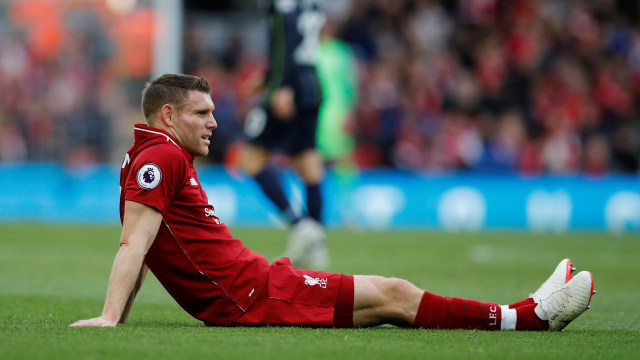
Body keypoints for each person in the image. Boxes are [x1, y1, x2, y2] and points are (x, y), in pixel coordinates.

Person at [69, 74, 596, 331]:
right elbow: (133, 244)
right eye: (202, 113)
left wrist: (119, 315)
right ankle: (528, 318)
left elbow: (144, 245)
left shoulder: (151, 156)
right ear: (167, 116)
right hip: (253, 295)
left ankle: (524, 315)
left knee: (392, 300)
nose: (214, 122)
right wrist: (111, 318)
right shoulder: (160, 159)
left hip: (256, 285)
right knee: (394, 293)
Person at [240, 0, 328, 269]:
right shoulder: (310, 4)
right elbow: (301, 45)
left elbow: (287, 43)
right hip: (311, 86)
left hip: (287, 89)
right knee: (308, 163)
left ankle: (302, 226)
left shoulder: (282, 5)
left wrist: (280, 85)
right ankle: (316, 246)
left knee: (251, 160)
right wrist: (268, 76)